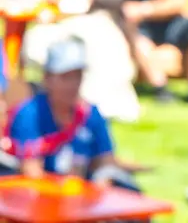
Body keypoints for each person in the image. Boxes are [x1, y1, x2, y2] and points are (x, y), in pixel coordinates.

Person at [6, 38, 122, 184]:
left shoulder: (91, 114)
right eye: (66, 77)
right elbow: (30, 170)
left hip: (83, 194)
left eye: (77, 76)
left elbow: (106, 161)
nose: (73, 84)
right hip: (41, 196)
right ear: (47, 78)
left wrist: (100, 185)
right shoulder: (29, 114)